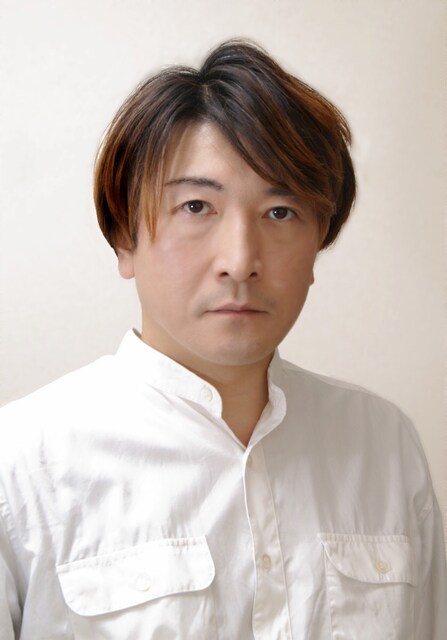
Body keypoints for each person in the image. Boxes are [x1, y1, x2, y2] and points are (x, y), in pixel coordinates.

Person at [0, 39, 445, 640]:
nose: (240, 260)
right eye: (195, 206)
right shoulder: (22, 465)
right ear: (124, 238)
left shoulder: (383, 444)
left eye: (280, 212)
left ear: (319, 242)